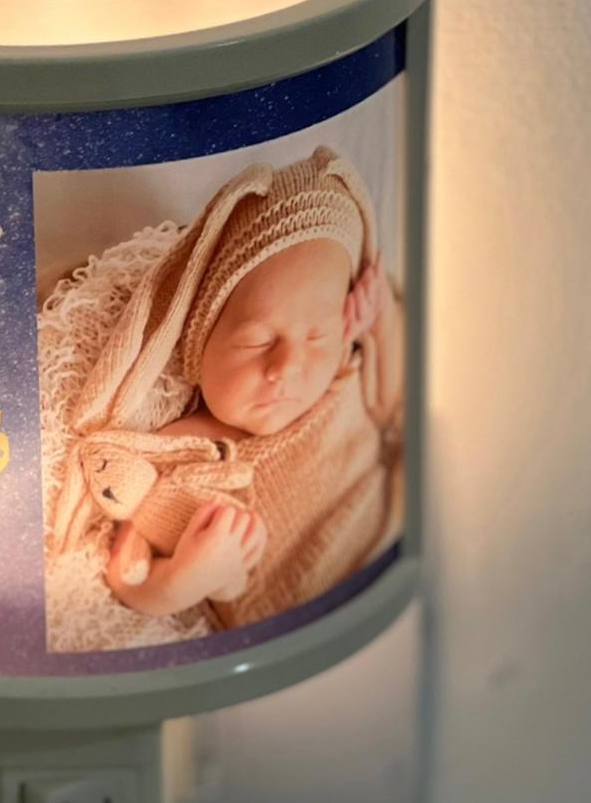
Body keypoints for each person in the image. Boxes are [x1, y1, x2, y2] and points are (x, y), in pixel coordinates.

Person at [50, 146, 404, 630]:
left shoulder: (340, 371)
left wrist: (380, 322)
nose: (287, 367)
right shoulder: (183, 449)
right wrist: (185, 579)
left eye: (316, 336)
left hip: (391, 547)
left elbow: (390, 407)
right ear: (200, 339)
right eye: (258, 341)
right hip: (302, 622)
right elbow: (127, 574)